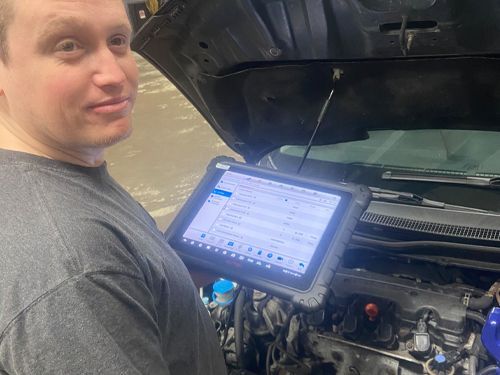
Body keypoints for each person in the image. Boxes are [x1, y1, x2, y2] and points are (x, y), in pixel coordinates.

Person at [0, 0, 226, 373]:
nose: (115, 75)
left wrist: (175, 278)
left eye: (118, 40)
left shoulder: (57, 173)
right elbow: (78, 273)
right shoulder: (76, 266)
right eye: (68, 45)